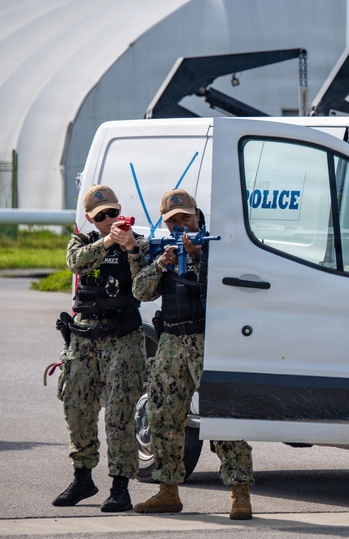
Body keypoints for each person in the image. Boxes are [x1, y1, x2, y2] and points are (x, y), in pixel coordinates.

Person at [131, 188, 254, 520]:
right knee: (163, 416)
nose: (179, 225)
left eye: (185, 217)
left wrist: (198, 258)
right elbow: (140, 291)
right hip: (171, 339)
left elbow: (229, 289)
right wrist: (160, 264)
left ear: (198, 215)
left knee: (223, 416)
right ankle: (168, 490)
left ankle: (239, 491)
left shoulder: (217, 248)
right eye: (173, 221)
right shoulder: (163, 250)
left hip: (207, 339)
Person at [54, 184, 147, 512]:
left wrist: (132, 249)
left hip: (122, 337)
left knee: (120, 414)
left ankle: (120, 488)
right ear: (92, 219)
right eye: (102, 216)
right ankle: (83, 477)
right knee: (76, 406)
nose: (110, 220)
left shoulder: (137, 243)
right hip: (84, 337)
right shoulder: (82, 241)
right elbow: (76, 263)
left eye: (113, 213)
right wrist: (108, 242)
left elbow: (146, 286)